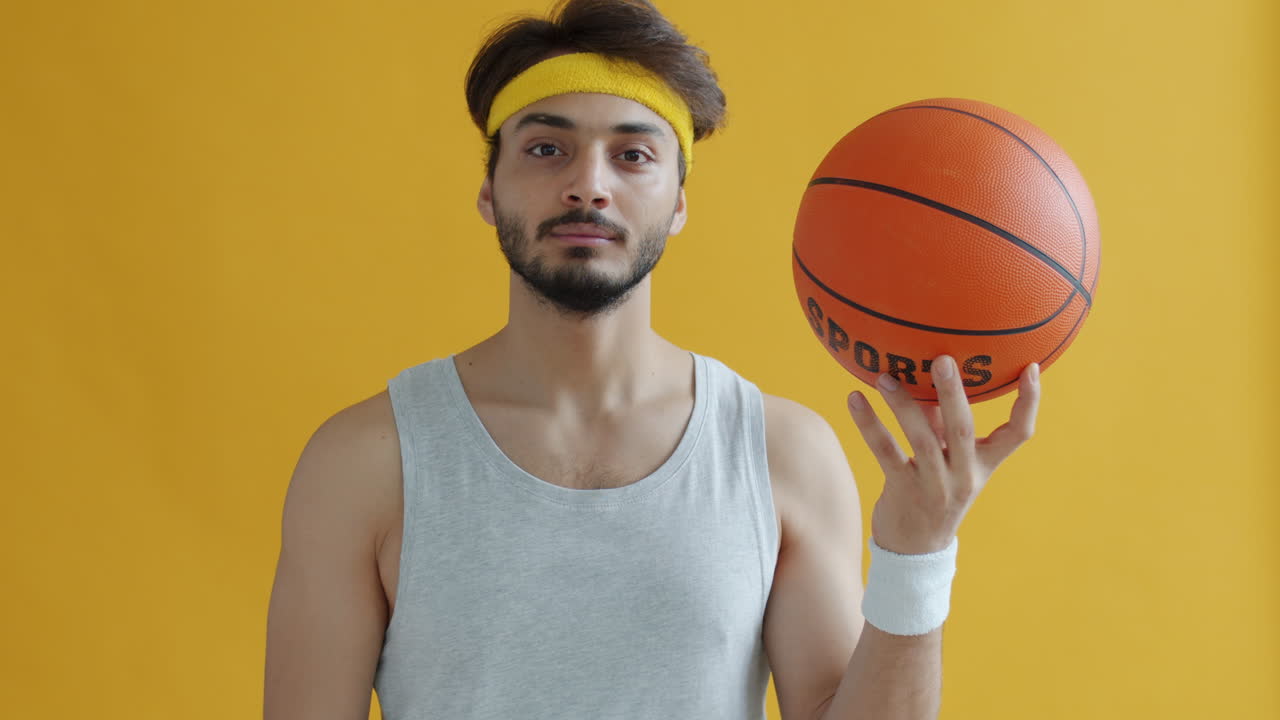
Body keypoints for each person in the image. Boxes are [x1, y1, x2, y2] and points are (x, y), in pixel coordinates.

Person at [262, 1, 1041, 718]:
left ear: (677, 204)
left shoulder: (780, 455)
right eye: (545, 148)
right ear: (490, 191)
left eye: (633, 154)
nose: (587, 186)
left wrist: (917, 554)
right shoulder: (366, 462)